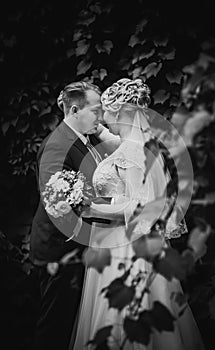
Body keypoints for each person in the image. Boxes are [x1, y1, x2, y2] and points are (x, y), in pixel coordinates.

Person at [71, 78, 205, 349]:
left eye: (105, 110)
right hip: (120, 241)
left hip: (124, 246)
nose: (102, 116)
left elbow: (140, 206)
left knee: (122, 316)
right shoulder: (136, 145)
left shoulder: (133, 151)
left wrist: (90, 207)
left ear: (119, 111)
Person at [30, 81, 119, 350]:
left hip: (79, 247)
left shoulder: (86, 138)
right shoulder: (57, 146)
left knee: (74, 329)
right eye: (96, 110)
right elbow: (59, 208)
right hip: (60, 250)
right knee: (55, 328)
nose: (101, 117)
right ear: (75, 110)